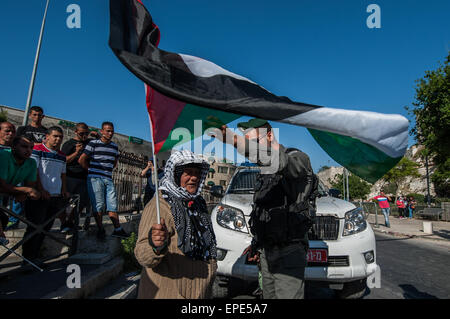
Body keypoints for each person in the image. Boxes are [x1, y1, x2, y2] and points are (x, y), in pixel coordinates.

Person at [211, 118, 318, 299]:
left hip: (289, 253)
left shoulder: (297, 158)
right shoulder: (264, 173)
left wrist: (235, 141)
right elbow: (263, 211)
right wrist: (257, 244)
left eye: (254, 142)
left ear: (269, 135)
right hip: (266, 253)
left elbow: (280, 163)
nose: (252, 149)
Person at [134, 150, 217, 299]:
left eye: (197, 173)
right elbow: (143, 254)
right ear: (176, 175)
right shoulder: (160, 206)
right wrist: (156, 246)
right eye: (188, 173)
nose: (194, 178)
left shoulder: (198, 203)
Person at [22, 126, 70, 266]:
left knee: (46, 227)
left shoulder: (61, 155)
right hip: (39, 196)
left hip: (55, 195)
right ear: (47, 137)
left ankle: (35, 256)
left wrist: (64, 190)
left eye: (60, 137)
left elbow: (63, 174)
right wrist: (40, 189)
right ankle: (27, 258)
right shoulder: (37, 150)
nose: (58, 139)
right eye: (55, 136)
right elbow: (35, 171)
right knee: (34, 227)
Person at [78, 121, 129, 239]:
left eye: (112, 131)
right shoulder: (93, 143)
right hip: (95, 178)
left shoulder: (114, 146)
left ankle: (118, 229)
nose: (110, 133)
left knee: (112, 205)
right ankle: (100, 229)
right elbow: (81, 160)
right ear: (102, 131)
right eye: (108, 131)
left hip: (108, 178)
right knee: (98, 205)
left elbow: (114, 162)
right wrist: (91, 170)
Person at [0, 136, 40, 243]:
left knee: (3, 219)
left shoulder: (31, 162)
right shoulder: (3, 155)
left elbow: (30, 186)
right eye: (24, 146)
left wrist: (24, 192)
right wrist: (25, 190)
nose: (28, 150)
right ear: (13, 146)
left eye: (31, 147)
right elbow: (1, 185)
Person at [61, 122, 93, 231]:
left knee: (81, 202)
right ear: (76, 132)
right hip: (71, 176)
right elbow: (64, 160)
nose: (84, 136)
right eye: (81, 134)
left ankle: (70, 222)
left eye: (86, 133)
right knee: (66, 202)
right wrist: (76, 152)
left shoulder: (89, 142)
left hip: (84, 177)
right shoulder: (69, 144)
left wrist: (97, 135)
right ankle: (64, 223)